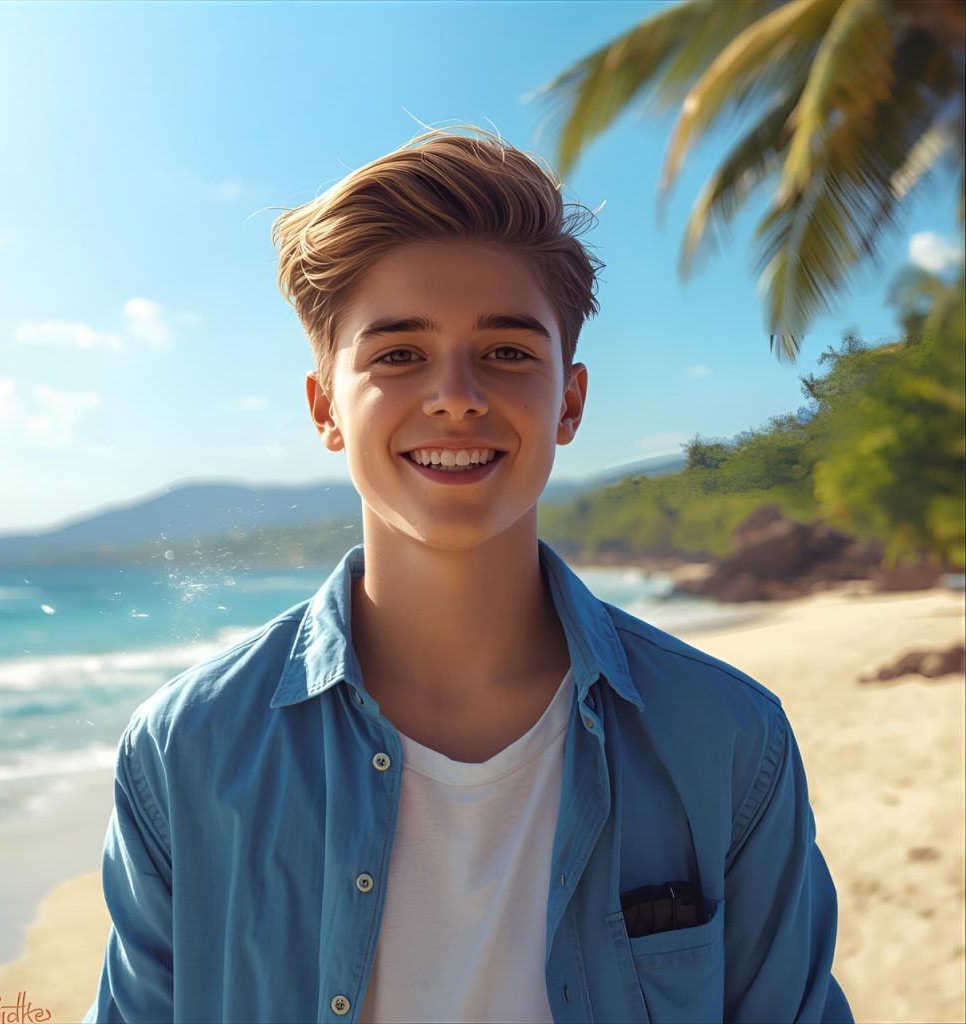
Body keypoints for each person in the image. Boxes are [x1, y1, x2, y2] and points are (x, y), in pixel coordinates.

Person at [83, 124, 854, 1023]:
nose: (456, 394)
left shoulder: (727, 739)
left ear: (568, 401)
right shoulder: (186, 753)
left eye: (508, 352)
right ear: (325, 406)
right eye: (399, 353)